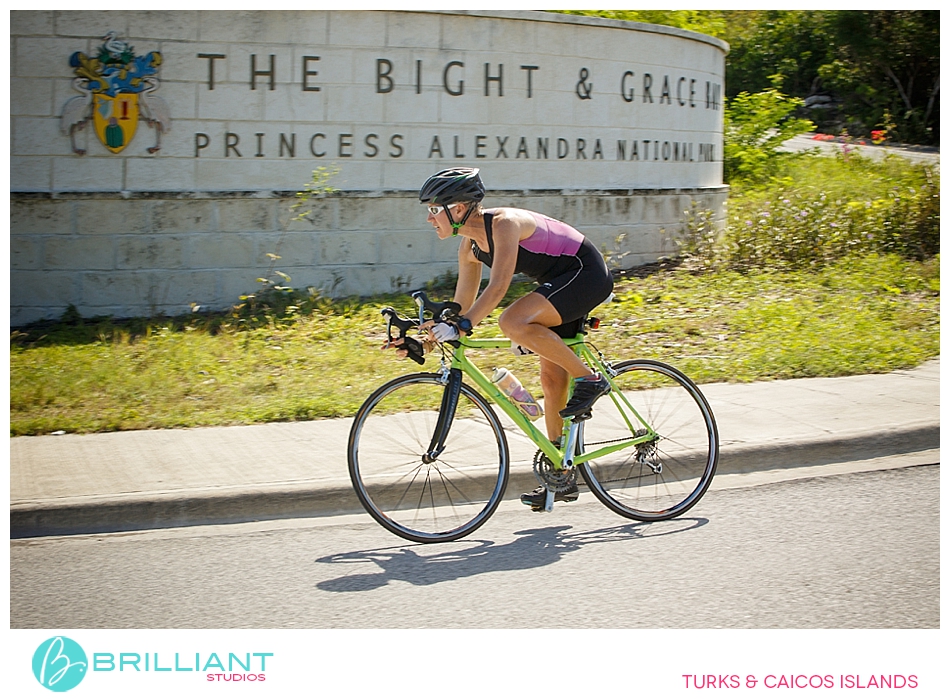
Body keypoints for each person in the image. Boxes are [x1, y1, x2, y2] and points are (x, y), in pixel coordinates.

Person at [391, 167, 614, 509]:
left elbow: (498, 287)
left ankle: (591, 380)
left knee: (512, 320)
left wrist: (463, 326)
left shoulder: (504, 225)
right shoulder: (469, 246)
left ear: (460, 208)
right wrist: (428, 336)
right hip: (558, 285)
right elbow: (461, 305)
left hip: (584, 273)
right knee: (552, 381)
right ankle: (563, 475)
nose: (429, 218)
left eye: (435, 209)